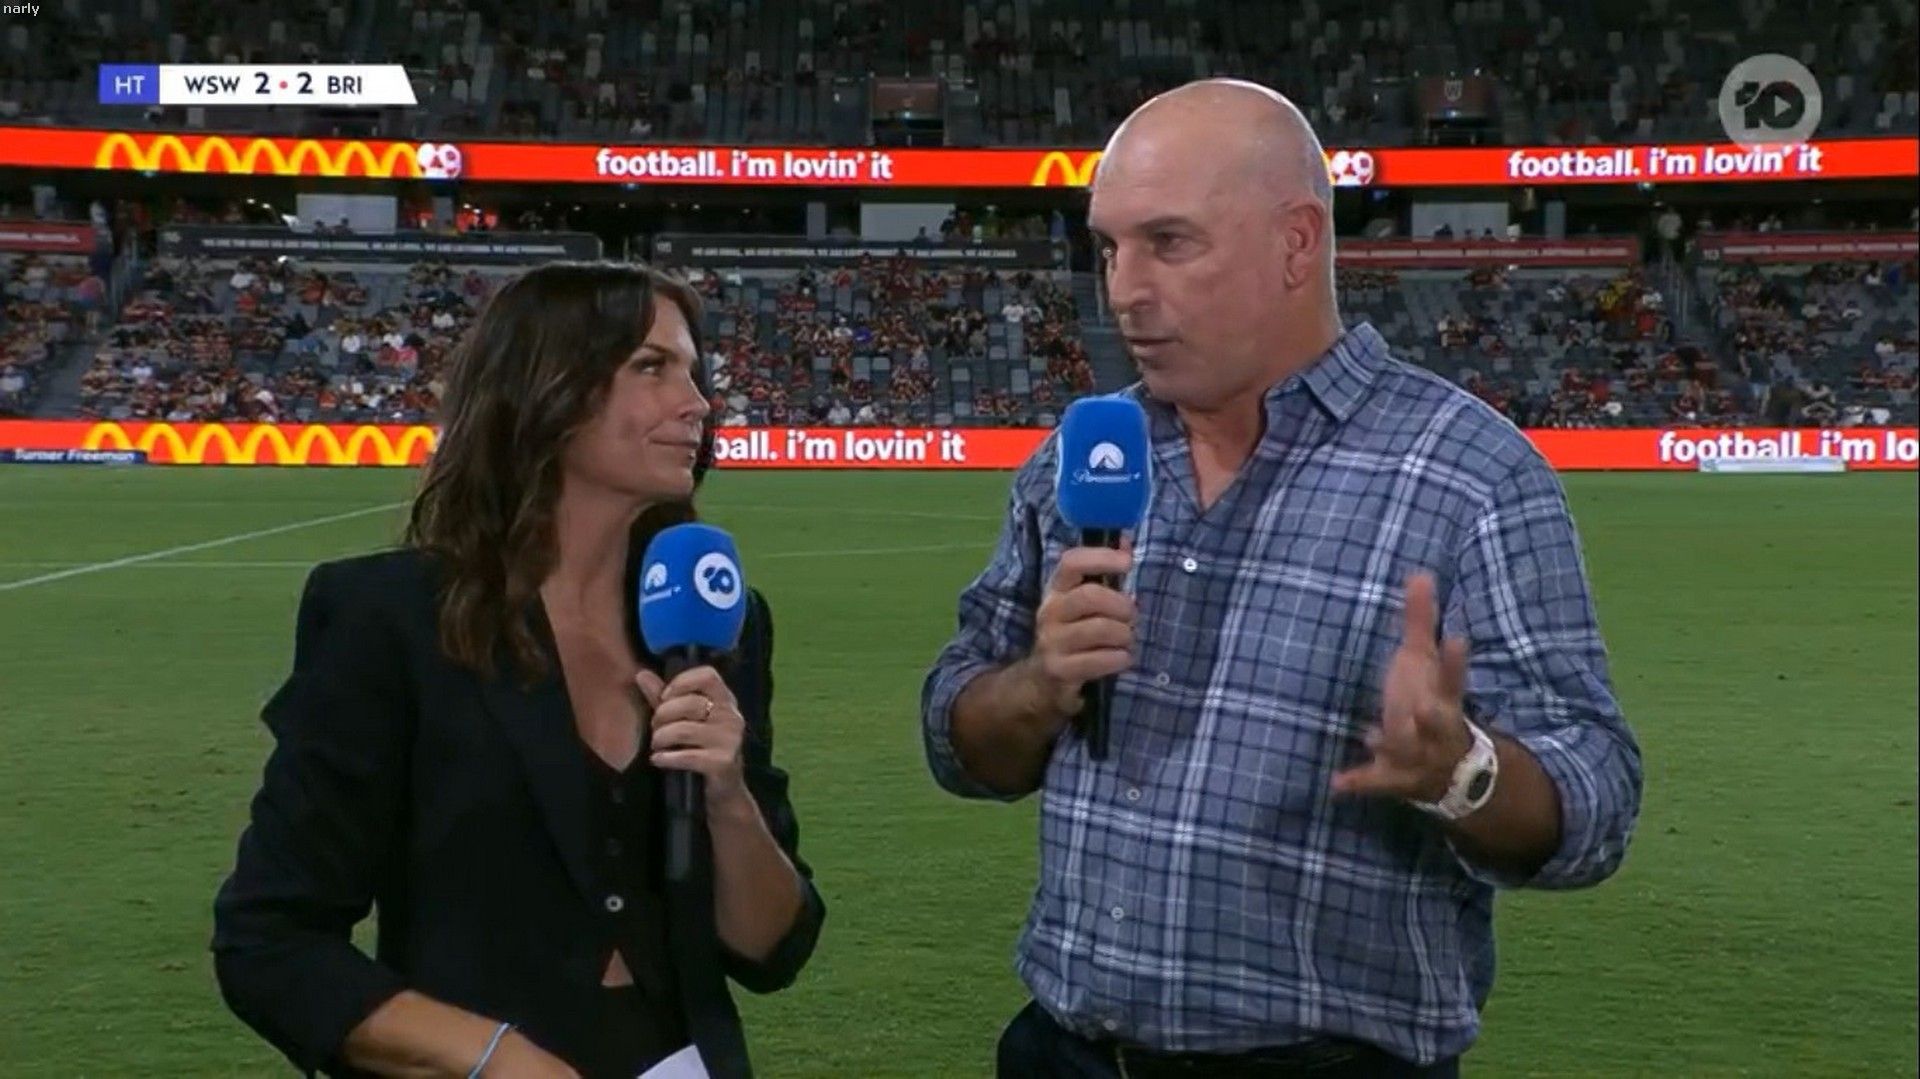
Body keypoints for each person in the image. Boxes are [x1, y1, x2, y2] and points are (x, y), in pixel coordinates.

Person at [920, 80, 1642, 1078]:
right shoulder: (1083, 457)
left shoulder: (1469, 476)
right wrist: (1035, 687)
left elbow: (1597, 797)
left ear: (1297, 243)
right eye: (1108, 247)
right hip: (1061, 1051)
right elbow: (958, 742)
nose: (1124, 289)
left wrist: (1462, 770)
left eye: (1169, 242)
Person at [213, 262, 825, 1079]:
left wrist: (727, 796)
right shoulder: (390, 617)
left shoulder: (718, 618)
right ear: (549, 387)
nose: (700, 403)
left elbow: (770, 947)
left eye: (694, 371)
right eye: (653, 366)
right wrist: (494, 1058)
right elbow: (270, 940)